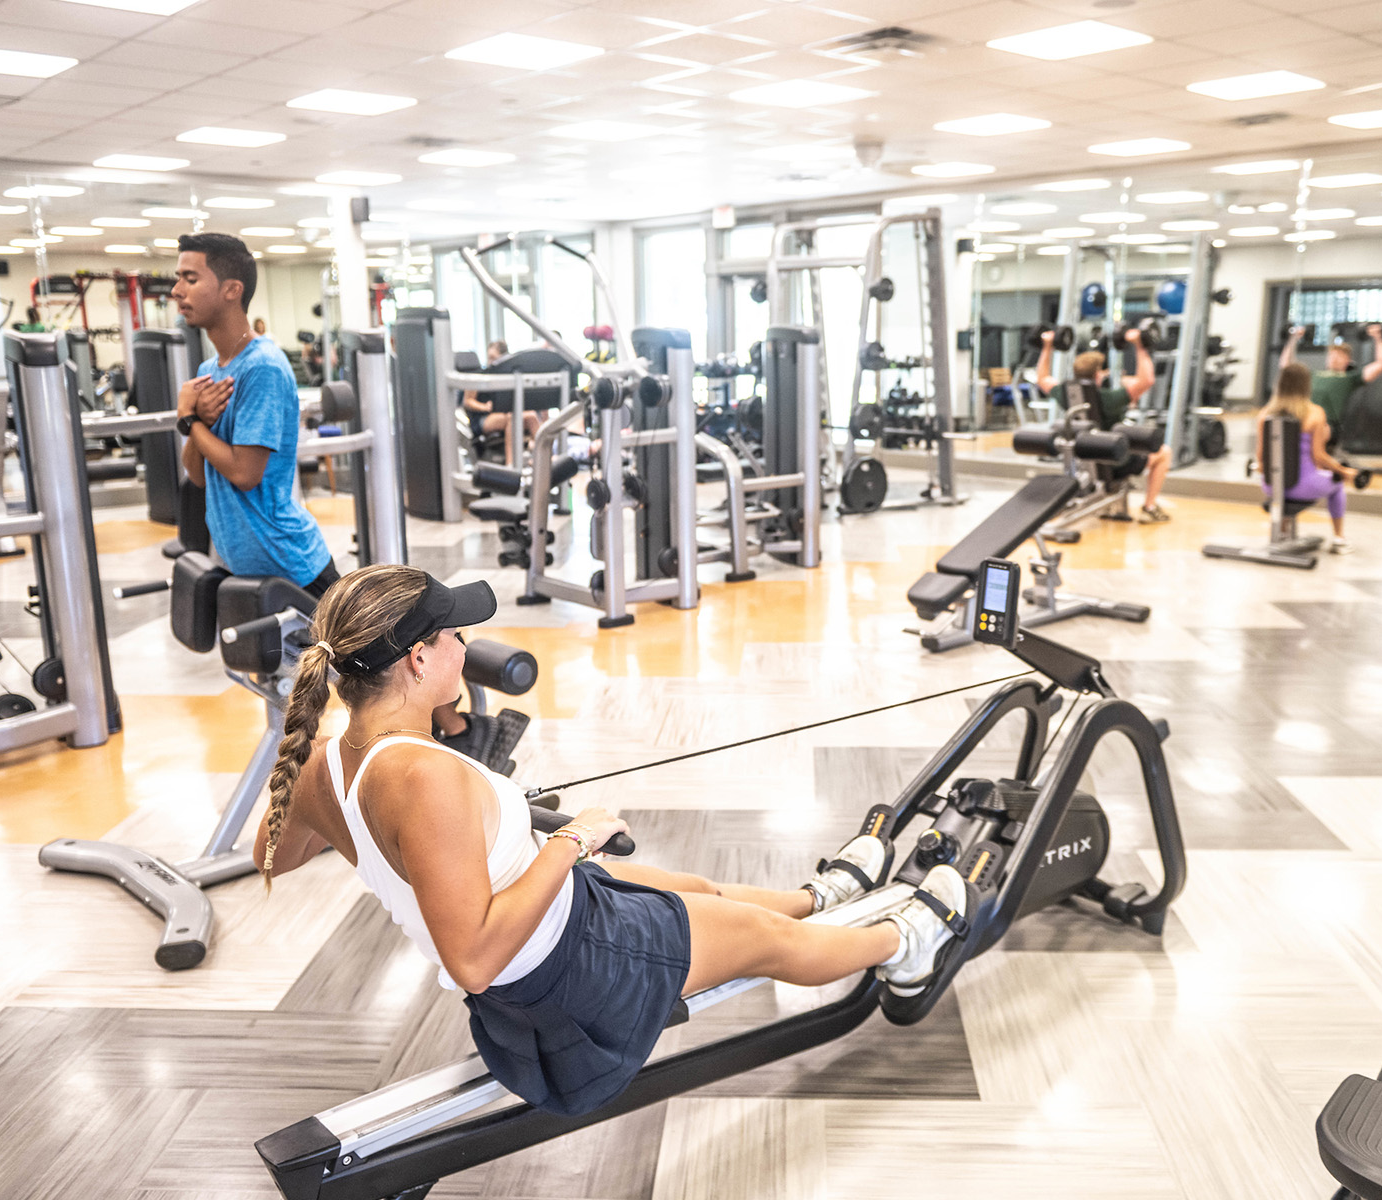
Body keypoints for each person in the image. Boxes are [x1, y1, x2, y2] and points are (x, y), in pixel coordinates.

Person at [251, 565, 969, 1117]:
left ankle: (820, 897)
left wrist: (403, 836)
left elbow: (272, 855)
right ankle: (906, 944)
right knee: (764, 941)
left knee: (698, 890)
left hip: (556, 920)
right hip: (571, 968)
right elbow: (472, 961)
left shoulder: (321, 765)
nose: (466, 647)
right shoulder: (422, 777)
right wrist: (575, 839)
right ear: (417, 659)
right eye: (454, 636)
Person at [170, 232, 497, 759]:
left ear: (231, 289)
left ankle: (459, 733)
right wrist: (192, 422)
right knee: (355, 659)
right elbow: (199, 472)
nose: (177, 290)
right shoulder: (209, 374)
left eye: (190, 278)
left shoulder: (261, 368)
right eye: (178, 278)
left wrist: (190, 420)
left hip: (286, 555)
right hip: (245, 558)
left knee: (381, 648)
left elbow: (246, 472)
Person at [1037, 327, 1173, 521]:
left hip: (1082, 460)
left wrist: (1047, 347)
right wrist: (1139, 346)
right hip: (1114, 462)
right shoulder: (1108, 399)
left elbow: (1042, 378)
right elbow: (1147, 380)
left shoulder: (1065, 394)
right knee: (1164, 452)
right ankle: (1149, 507)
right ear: (1098, 375)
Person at [1254, 363, 1358, 553]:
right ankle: (1339, 539)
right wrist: (1343, 471)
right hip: (1305, 486)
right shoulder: (1315, 413)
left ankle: (1282, 533)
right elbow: (1319, 456)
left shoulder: (1265, 414)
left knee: (1286, 481)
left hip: (1271, 485)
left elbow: (1260, 457)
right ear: (1305, 385)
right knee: (1338, 484)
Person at [1281, 323, 1382, 448]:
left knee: (1314, 429)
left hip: (1327, 425)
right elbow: (1286, 366)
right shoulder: (1313, 375)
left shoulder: (1350, 378)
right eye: (1332, 355)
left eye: (1339, 356)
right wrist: (1293, 338)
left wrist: (1378, 337)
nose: (1334, 358)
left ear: (1348, 361)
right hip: (1303, 419)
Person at [463, 340, 543, 447]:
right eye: (490, 358)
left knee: (532, 416)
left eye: (495, 358)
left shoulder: (508, 378)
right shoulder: (478, 376)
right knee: (512, 418)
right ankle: (511, 458)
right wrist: (484, 407)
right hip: (483, 418)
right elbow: (467, 401)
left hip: (505, 413)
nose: (491, 362)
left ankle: (543, 453)